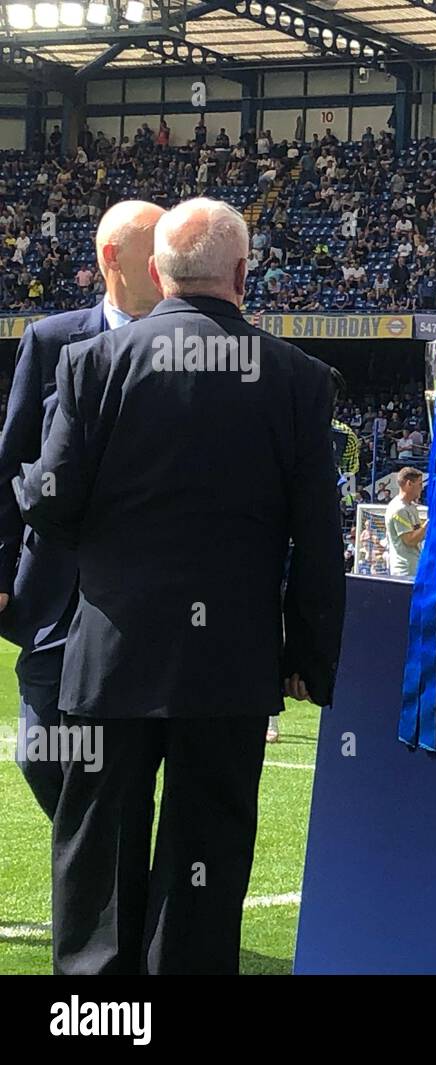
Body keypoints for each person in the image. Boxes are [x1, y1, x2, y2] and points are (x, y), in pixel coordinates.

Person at [16, 197, 345, 974]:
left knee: (100, 850)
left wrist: (46, 491)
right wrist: (309, 656)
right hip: (229, 666)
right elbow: (319, 539)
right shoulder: (298, 378)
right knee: (206, 854)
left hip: (112, 656)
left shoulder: (93, 362)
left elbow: (49, 505)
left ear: (159, 272)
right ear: (241, 272)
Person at [0, 200, 164, 820]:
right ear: (111, 259)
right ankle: (101, 866)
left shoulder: (194, 348)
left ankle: (109, 885)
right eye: (154, 251)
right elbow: (11, 458)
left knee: (122, 759)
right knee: (40, 752)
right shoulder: (50, 339)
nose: (166, 262)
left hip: (147, 598)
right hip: (55, 596)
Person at [384, 467, 427, 577]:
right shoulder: (399, 509)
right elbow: (410, 541)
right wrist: (430, 523)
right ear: (409, 484)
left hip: (415, 567)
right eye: (420, 484)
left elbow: (418, 535)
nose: (422, 488)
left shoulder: (411, 507)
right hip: (404, 572)